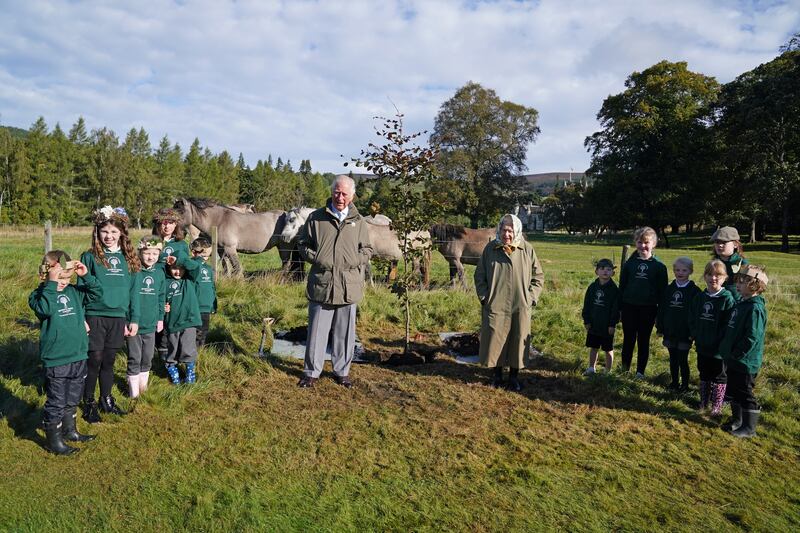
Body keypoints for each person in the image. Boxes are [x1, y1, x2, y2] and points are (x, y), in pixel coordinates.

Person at [296, 175, 373, 389]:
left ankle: (342, 372)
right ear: (331, 192)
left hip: (349, 285)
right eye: (336, 192)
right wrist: (318, 258)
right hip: (323, 283)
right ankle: (311, 372)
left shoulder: (359, 221)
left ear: (352, 195)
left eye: (344, 194)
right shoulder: (316, 217)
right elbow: (303, 244)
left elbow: (367, 249)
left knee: (345, 332)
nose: (340, 197)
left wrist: (354, 260)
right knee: (317, 331)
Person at [29, 251, 103, 454]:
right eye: (59, 279)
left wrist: (85, 276)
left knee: (72, 397)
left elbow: (97, 294)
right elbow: (45, 310)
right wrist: (52, 284)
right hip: (57, 358)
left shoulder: (74, 292)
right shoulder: (39, 296)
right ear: (45, 276)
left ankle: (71, 431)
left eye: (67, 279)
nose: (64, 283)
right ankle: (54, 441)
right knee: (57, 400)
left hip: (78, 354)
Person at [79, 206, 140, 423]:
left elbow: (134, 292)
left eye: (114, 232)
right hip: (94, 315)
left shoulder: (129, 258)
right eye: (105, 231)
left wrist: (134, 318)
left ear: (122, 233)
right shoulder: (89, 257)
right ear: (97, 232)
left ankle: (106, 399)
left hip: (118, 317)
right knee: (94, 359)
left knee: (109, 360)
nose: (109, 236)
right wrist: (81, 319)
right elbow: (80, 290)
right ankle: (88, 402)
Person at [474, 213, 544, 391]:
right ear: (499, 230)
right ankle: (496, 376)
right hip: (495, 303)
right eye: (504, 230)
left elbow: (538, 277)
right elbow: (479, 275)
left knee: (518, 339)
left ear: (517, 231)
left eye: (510, 231)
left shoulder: (527, 249)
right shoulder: (490, 249)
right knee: (495, 338)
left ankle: (514, 377)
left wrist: (531, 298)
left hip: (520, 304)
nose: (507, 235)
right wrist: (484, 297)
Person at [720, 265, 769, 438]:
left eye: (743, 282)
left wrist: (738, 354)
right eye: (738, 281)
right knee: (733, 389)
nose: (738, 285)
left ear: (755, 285)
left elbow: (752, 337)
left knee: (745, 392)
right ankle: (737, 421)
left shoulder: (755, 308)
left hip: (745, 361)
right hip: (733, 358)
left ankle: (749, 428)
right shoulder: (742, 303)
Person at [619, 227, 668, 378]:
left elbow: (663, 293)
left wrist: (660, 314)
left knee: (643, 340)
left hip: (648, 309)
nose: (643, 246)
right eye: (639, 242)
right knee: (628, 339)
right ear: (635, 243)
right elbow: (622, 287)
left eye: (646, 242)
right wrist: (620, 308)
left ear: (654, 243)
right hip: (629, 307)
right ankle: (624, 370)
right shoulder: (629, 264)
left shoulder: (659, 266)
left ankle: (640, 372)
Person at [689, 259, 735, 415]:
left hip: (719, 348)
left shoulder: (727, 299)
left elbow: (729, 324)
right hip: (702, 345)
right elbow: (693, 317)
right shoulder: (699, 297)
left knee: (719, 376)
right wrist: (695, 334)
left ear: (725, 278)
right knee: (704, 373)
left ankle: (717, 407)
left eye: (718, 275)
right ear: (704, 276)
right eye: (709, 274)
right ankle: (703, 402)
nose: (713, 278)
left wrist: (721, 341)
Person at [126, 236, 166, 398]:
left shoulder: (159, 273)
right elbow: (127, 297)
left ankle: (143, 388)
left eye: (155, 254)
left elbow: (161, 297)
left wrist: (160, 318)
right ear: (140, 252)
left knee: (148, 357)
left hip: (151, 323)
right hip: (134, 323)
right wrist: (126, 319)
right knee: (135, 357)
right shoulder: (133, 271)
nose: (151, 257)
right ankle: (133, 393)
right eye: (147, 253)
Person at [656, 257, 701, 391]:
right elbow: (662, 309)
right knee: (673, 359)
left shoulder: (695, 291)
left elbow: (696, 314)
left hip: (685, 332)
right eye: (677, 270)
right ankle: (674, 383)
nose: (680, 273)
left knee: (683, 359)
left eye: (684, 270)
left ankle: (685, 385)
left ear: (690, 271)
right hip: (670, 330)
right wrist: (660, 327)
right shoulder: (669, 289)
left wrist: (693, 332)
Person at [152, 207, 189, 361]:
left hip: (173, 286)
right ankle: (157, 349)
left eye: (170, 223)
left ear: (176, 225)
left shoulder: (181, 244)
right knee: (157, 314)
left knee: (171, 316)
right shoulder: (152, 241)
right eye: (163, 223)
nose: (166, 226)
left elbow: (186, 267)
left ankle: (173, 350)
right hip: (154, 285)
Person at [163, 255, 204, 384]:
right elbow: (160, 298)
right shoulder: (165, 282)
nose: (177, 271)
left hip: (189, 321)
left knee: (188, 347)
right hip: (172, 322)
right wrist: (163, 306)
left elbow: (195, 266)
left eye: (181, 268)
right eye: (174, 268)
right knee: (173, 348)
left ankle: (190, 371)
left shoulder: (190, 279)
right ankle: (172, 368)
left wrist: (179, 260)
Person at [581, 258, 619, 375]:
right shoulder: (592, 287)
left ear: (613, 272)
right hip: (593, 323)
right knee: (593, 347)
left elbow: (616, 309)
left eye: (608, 269)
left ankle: (607, 371)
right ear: (596, 271)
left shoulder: (614, 290)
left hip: (607, 325)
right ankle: (591, 368)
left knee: (608, 349)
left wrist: (612, 324)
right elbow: (586, 305)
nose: (605, 272)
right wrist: (586, 321)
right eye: (602, 269)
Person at [190, 237, 217, 347]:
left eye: (207, 256)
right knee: (196, 332)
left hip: (206, 307)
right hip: (195, 306)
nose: (205, 259)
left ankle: (200, 354)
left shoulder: (209, 268)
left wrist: (213, 305)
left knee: (204, 331)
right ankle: (191, 355)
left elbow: (211, 287)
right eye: (203, 255)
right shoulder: (192, 266)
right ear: (194, 253)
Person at [710, 226, 748, 301]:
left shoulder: (742, 263)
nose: (720, 245)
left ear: (735, 244)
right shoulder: (713, 263)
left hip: (736, 301)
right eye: (717, 242)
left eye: (724, 242)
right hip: (717, 299)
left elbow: (747, 286)